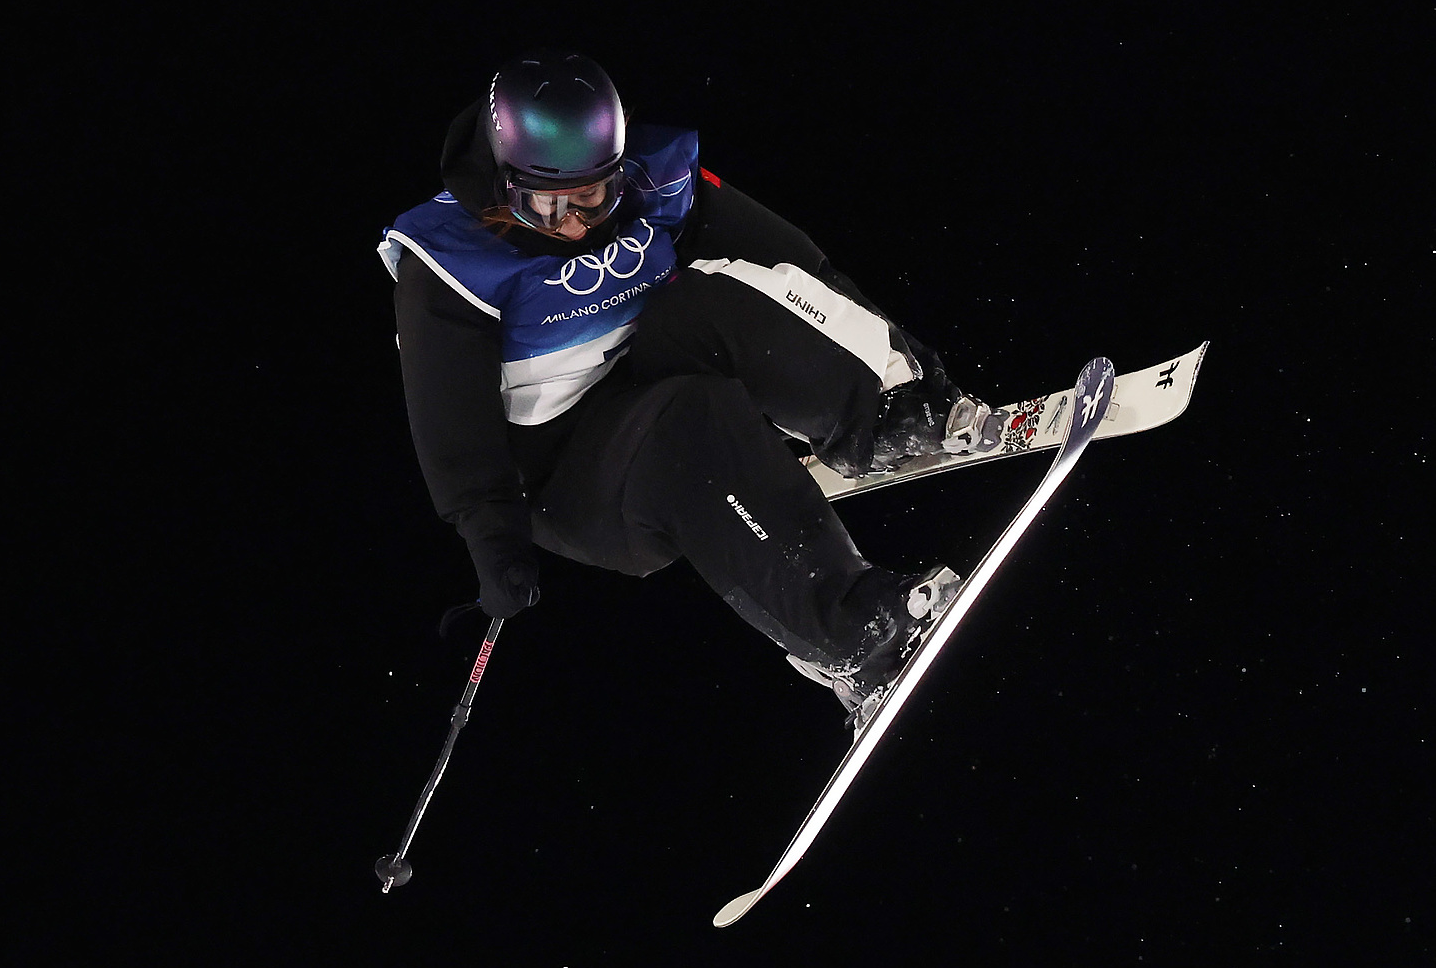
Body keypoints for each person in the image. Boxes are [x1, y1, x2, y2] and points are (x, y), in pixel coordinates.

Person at [379, 51, 994, 715]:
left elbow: (795, 268)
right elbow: (451, 427)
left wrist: (902, 355)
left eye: (591, 198)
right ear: (504, 181)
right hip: (569, 471)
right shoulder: (447, 263)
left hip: (653, 368)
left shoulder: (658, 181)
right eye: (546, 205)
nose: (573, 224)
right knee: (687, 419)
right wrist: (495, 543)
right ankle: (859, 637)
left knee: (711, 294)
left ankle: (893, 412)